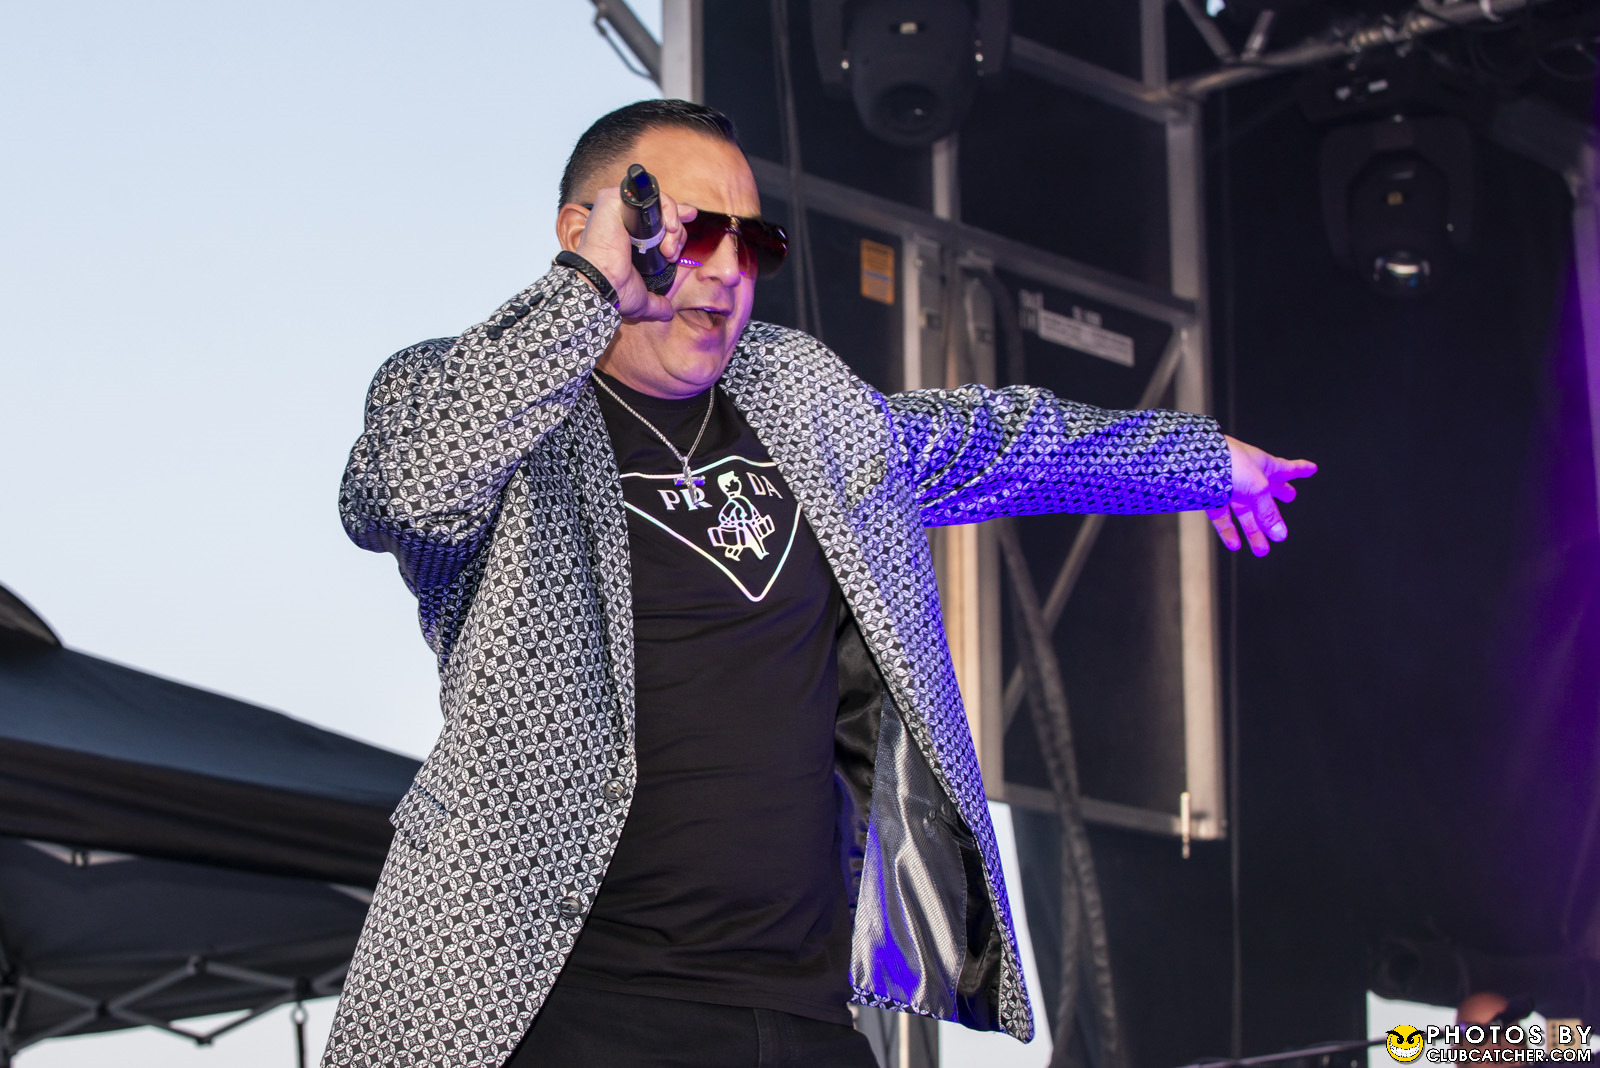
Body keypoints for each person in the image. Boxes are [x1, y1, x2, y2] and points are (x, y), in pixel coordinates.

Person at [324, 99, 1316, 1068]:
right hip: (560, 1010)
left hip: (798, 1015)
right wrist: (585, 293)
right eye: (688, 232)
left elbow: (997, 438)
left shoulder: (803, 406)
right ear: (583, 230)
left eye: (751, 242)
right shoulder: (478, 405)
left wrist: (1193, 460)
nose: (726, 269)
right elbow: (404, 493)